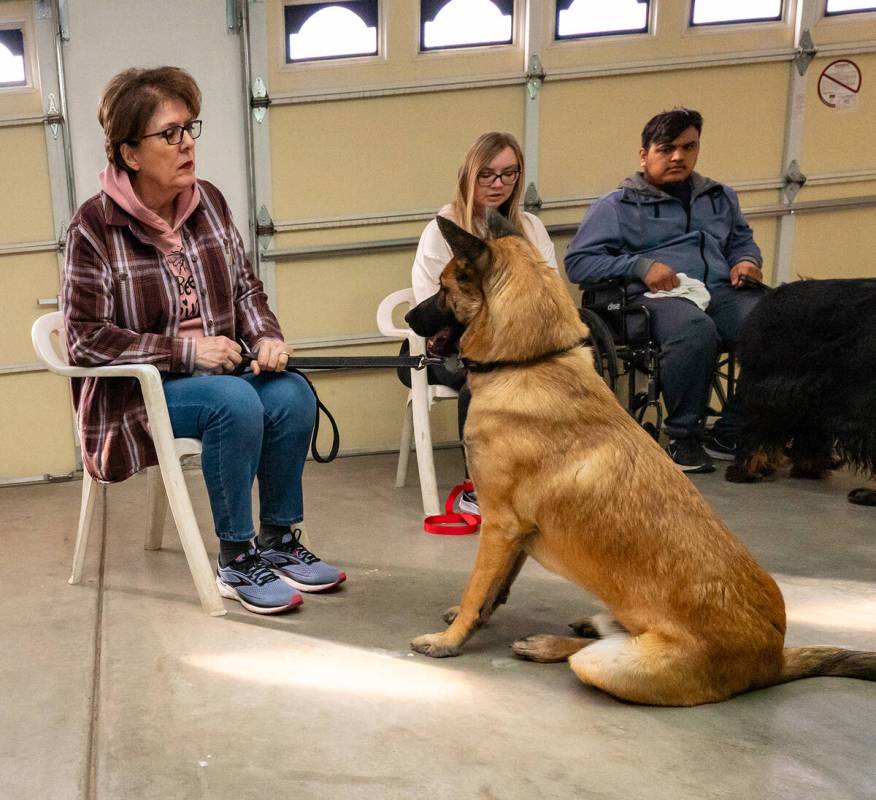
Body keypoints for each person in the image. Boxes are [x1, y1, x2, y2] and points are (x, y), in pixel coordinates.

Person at [63, 66, 345, 615]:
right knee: (234, 402)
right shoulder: (92, 227)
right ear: (129, 153)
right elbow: (84, 339)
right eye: (169, 133)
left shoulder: (208, 202)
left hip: (222, 376)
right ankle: (237, 559)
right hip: (137, 395)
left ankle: (279, 539)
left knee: (290, 394)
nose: (187, 142)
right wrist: (186, 352)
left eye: (190, 127)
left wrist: (265, 337)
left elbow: (244, 288)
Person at [564, 108, 766, 474]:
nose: (678, 157)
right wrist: (639, 266)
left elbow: (741, 240)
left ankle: (731, 429)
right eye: (666, 149)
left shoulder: (720, 197)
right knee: (695, 330)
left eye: (688, 147)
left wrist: (746, 259)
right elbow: (579, 263)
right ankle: (683, 436)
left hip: (720, 291)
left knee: (775, 324)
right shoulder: (617, 206)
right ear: (644, 155)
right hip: (658, 297)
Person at [411, 131, 558, 513]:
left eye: (509, 174)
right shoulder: (442, 230)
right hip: (449, 344)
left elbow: (549, 295)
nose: (498, 185)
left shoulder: (531, 228)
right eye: (487, 175)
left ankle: (543, 478)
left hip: (517, 342)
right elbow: (439, 306)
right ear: (468, 175)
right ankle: (480, 489)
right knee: (484, 384)